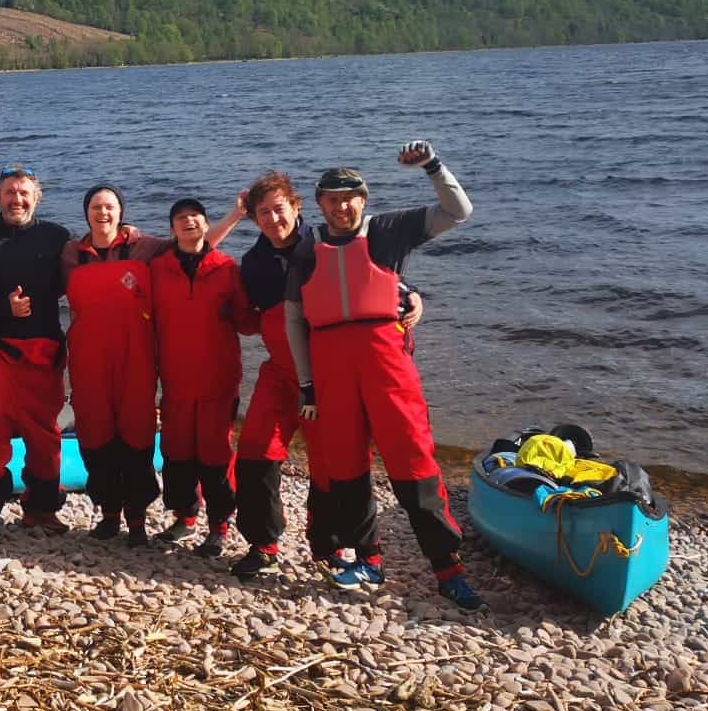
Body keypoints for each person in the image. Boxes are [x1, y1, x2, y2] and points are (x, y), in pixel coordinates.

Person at [285, 142, 486, 611]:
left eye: (350, 197)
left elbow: (459, 211)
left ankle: (448, 568)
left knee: (413, 462)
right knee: (347, 469)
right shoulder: (306, 249)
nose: (342, 206)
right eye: (332, 199)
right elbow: (295, 318)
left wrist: (433, 167)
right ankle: (368, 560)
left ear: (364, 199)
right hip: (332, 369)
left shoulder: (390, 230)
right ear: (319, 204)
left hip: (386, 363)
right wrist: (307, 382)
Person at [230, 172, 423, 580]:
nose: (272, 219)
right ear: (253, 218)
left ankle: (330, 545)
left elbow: (374, 270)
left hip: (328, 376)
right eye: (262, 212)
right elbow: (249, 318)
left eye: (279, 209)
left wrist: (410, 294)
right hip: (280, 374)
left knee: (332, 465)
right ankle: (263, 544)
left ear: (296, 207)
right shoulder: (253, 262)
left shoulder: (319, 243)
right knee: (252, 454)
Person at [61, 185, 241, 546]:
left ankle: (138, 519)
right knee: (95, 441)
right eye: (96, 207)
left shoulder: (144, 248)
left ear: (120, 212)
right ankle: (109, 514)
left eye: (110, 206)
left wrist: (235, 216)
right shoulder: (69, 254)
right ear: (86, 213)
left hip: (136, 363)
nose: (103, 213)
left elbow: (196, 246)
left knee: (137, 440)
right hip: (89, 364)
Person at [0, 164, 73, 543]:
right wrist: (1, 310)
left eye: (24, 192)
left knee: (45, 436)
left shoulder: (57, 237)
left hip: (46, 351)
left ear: (36, 198)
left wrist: (130, 236)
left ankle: (40, 509)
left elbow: (91, 265)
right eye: (9, 192)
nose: (16, 199)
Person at [149, 197, 250, 559]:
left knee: (215, 456)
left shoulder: (226, 269)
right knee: (176, 454)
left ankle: (219, 526)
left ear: (207, 225)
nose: (188, 221)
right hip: (175, 381)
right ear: (172, 228)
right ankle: (184, 517)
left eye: (195, 216)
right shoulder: (158, 269)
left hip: (218, 381)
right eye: (180, 218)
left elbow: (249, 322)